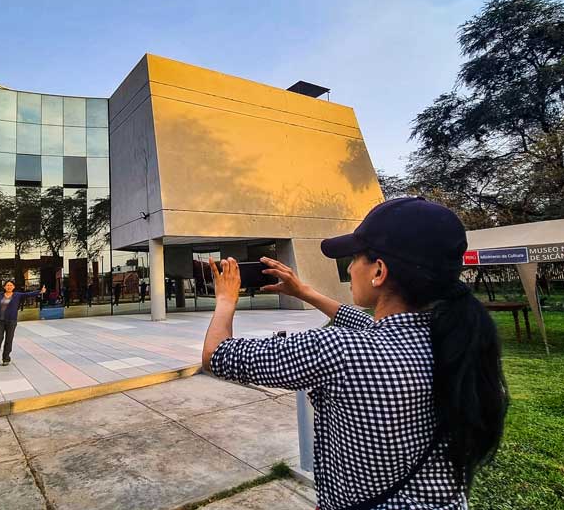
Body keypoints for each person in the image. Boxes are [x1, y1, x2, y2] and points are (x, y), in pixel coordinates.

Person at [202, 197, 508, 509]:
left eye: (355, 257)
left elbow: (217, 355)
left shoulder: (339, 350)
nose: (349, 267)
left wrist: (226, 299)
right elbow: (366, 323)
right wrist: (303, 291)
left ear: (379, 271)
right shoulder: (456, 339)